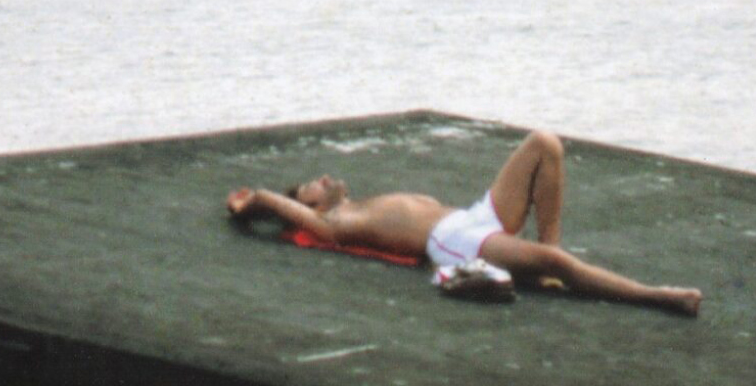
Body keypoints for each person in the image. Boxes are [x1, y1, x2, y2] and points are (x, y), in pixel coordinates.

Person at [226, 129, 702, 317]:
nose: (324, 177)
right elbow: (269, 200)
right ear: (306, 206)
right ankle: (656, 295)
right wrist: (248, 205)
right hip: (451, 241)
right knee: (554, 260)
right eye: (311, 183)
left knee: (546, 144)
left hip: (472, 217)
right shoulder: (335, 223)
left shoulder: (360, 204)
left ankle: (547, 259)